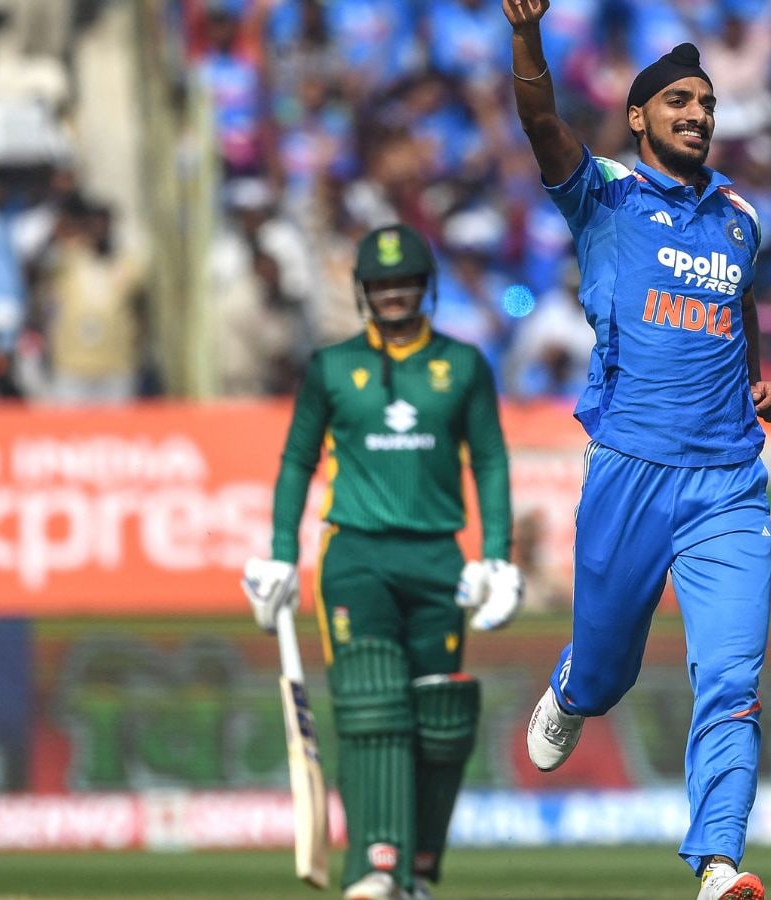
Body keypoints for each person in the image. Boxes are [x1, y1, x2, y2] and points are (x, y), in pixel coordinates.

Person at [503, 3, 771, 898]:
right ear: (638, 118)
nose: (698, 114)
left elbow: (739, 306)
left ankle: (718, 865)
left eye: (706, 103)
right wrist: (526, 34)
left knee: (732, 680)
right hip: (629, 471)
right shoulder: (606, 198)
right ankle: (574, 688)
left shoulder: (739, 218)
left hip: (729, 482)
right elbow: (540, 122)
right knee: (608, 671)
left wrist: (754, 382)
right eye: (678, 102)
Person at [241, 224, 522, 900]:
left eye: (405, 282)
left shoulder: (463, 365)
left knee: (440, 718)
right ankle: (374, 864)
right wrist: (281, 555)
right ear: (363, 292)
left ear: (426, 287)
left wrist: (497, 558)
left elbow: (489, 460)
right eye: (380, 283)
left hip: (436, 558)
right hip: (356, 555)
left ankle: (416, 869)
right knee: (372, 708)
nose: (393, 294)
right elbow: (297, 461)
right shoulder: (332, 367)